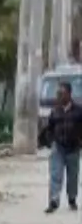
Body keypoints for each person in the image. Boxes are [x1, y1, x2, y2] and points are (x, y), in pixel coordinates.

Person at [41, 80, 82, 212]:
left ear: (69, 94)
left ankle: (72, 199)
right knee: (55, 174)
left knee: (72, 176)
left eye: (62, 93)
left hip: (73, 147)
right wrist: (49, 141)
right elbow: (49, 128)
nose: (59, 96)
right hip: (58, 147)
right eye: (58, 93)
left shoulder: (78, 111)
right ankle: (54, 200)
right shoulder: (55, 111)